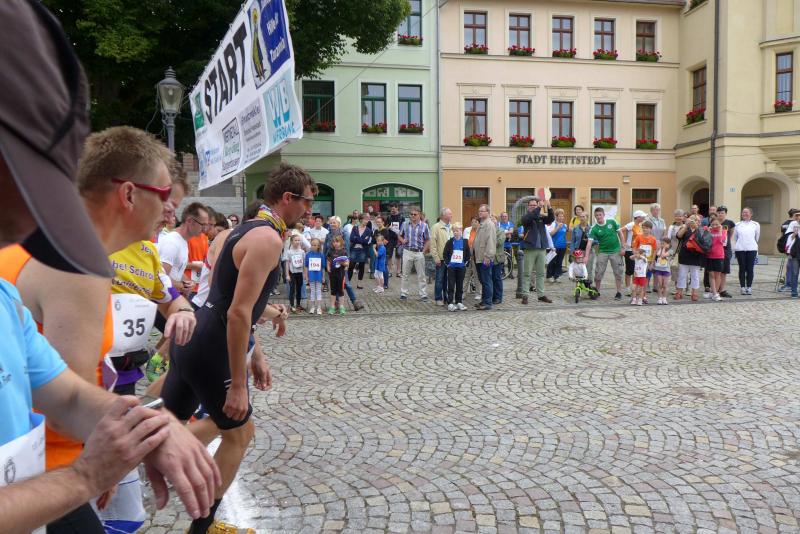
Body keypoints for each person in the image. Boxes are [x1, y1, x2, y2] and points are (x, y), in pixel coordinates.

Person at [0, 3, 219, 529]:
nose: (171, 211)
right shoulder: (75, 266)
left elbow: (67, 394)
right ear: (128, 194)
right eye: (26, 179)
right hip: (49, 482)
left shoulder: (6, 295)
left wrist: (150, 426)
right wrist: (84, 476)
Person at [161, 163, 314, 534]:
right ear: (287, 198)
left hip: (195, 338)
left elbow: (231, 300)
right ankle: (202, 528)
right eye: (307, 201)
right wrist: (239, 384)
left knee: (167, 426)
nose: (309, 210)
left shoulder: (242, 230)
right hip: (211, 347)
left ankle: (112, 472)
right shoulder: (268, 240)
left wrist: (256, 354)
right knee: (239, 434)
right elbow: (238, 312)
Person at [519, 197, 555, 305]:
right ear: (528, 207)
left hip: (541, 248)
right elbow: (530, 217)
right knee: (527, 273)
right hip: (530, 248)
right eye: (531, 205)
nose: (533, 207)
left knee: (541, 273)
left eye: (535, 205)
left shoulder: (541, 217)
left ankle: (541, 295)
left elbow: (550, 219)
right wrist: (539, 207)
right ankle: (525, 295)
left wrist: (549, 207)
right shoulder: (526, 217)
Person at [585, 207, 625, 300]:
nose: (599, 217)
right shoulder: (594, 228)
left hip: (615, 251)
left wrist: (623, 247)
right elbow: (589, 243)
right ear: (595, 216)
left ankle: (619, 292)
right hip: (602, 252)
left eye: (600, 215)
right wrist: (586, 256)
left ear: (603, 215)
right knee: (598, 273)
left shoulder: (612, 222)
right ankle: (597, 292)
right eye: (596, 215)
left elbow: (620, 234)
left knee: (618, 272)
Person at [399, 208, 430, 301]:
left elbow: (428, 239)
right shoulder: (405, 224)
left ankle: (423, 294)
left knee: (421, 275)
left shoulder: (424, 226)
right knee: (405, 274)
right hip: (407, 251)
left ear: (419, 215)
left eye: (415, 214)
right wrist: (402, 240)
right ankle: (404, 293)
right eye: (411, 214)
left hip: (419, 252)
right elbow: (399, 235)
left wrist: (423, 251)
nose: (412, 216)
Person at [471, 205, 497, 310]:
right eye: (479, 211)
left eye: (482, 211)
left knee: (486, 280)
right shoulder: (482, 224)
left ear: (488, 212)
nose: (480, 212)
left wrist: (488, 256)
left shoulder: (489, 224)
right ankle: (484, 301)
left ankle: (487, 303)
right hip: (479, 256)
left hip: (485, 257)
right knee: (483, 280)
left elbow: (491, 241)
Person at [675, 215, 705, 301]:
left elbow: (703, 241)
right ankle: (679, 292)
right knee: (682, 275)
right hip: (684, 255)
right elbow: (678, 236)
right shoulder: (685, 228)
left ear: (699, 222)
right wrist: (686, 226)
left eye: (697, 220)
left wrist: (697, 228)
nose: (694, 221)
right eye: (692, 219)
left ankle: (694, 293)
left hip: (696, 256)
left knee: (695, 275)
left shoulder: (701, 230)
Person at [443, 222, 470, 311]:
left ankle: (459, 302)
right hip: (452, 267)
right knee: (451, 285)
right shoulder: (450, 242)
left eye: (457, 231)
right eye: (454, 231)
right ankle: (450, 303)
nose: (455, 232)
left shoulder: (465, 242)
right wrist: (448, 264)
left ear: (461, 231)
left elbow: (468, 253)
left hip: (461, 267)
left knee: (460, 285)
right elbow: (445, 253)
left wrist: (465, 263)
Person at [733, 207, 760, 295]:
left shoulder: (755, 224)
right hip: (740, 249)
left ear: (751, 214)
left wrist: (751, 244)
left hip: (752, 248)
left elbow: (757, 237)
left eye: (746, 212)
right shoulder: (737, 225)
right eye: (743, 212)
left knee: (750, 268)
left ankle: (749, 287)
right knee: (742, 268)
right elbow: (735, 237)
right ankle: (742, 287)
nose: (744, 214)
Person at [430, 208, 453, 306]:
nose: (451, 216)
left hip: (451, 259)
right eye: (449, 214)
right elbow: (433, 244)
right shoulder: (436, 227)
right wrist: (436, 258)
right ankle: (438, 298)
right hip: (441, 258)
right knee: (439, 279)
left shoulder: (452, 227)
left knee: (448, 279)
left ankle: (447, 298)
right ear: (444, 216)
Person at [631, 220, 657, 305]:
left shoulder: (653, 239)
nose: (645, 229)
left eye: (647, 228)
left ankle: (643, 296)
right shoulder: (638, 237)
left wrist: (652, 262)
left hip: (648, 262)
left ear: (650, 229)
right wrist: (636, 256)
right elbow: (634, 247)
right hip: (639, 263)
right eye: (643, 228)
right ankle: (634, 297)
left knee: (645, 280)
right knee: (636, 279)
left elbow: (654, 251)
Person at [621, 210, 646, 296]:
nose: (644, 218)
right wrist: (624, 243)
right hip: (629, 250)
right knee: (630, 270)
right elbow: (620, 230)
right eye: (642, 216)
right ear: (638, 217)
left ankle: (634, 288)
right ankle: (627, 289)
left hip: (638, 251)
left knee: (636, 270)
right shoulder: (631, 224)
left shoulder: (640, 226)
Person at [714, 206, 736, 298]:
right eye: (719, 213)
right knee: (716, 271)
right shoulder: (714, 222)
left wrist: (729, 242)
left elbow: (731, 234)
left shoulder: (730, 223)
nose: (720, 214)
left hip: (726, 249)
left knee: (724, 270)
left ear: (725, 214)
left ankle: (722, 289)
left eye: (722, 213)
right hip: (715, 249)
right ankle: (715, 290)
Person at [705, 217, 727, 301]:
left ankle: (715, 293)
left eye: (717, 224)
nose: (715, 226)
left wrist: (720, 230)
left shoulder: (724, 231)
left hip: (719, 256)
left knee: (718, 275)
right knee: (711, 275)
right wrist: (708, 230)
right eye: (713, 224)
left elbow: (722, 241)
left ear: (720, 224)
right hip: (709, 255)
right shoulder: (709, 231)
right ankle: (714, 293)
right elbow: (705, 240)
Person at [348, 213, 372, 288]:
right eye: (365, 219)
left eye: (368, 220)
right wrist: (362, 239)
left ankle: (359, 284)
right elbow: (351, 238)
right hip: (354, 249)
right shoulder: (355, 228)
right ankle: (348, 283)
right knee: (351, 266)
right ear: (361, 220)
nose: (367, 221)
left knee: (361, 266)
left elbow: (366, 242)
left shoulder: (369, 230)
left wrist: (357, 238)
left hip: (363, 250)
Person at [327, 235, 349, 314]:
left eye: (337, 242)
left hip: (341, 274)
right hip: (332, 274)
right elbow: (328, 260)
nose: (335, 243)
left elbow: (347, 263)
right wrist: (328, 267)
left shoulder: (344, 252)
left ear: (341, 242)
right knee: (333, 290)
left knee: (341, 290)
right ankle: (332, 306)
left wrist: (341, 263)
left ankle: (341, 306)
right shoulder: (330, 251)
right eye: (334, 242)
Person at [304, 238, 326, 313]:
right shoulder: (308, 254)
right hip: (311, 275)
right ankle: (312, 307)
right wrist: (306, 276)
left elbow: (323, 267)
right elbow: (306, 266)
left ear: (318, 246)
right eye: (312, 245)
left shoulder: (321, 255)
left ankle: (319, 307)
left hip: (319, 275)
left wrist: (323, 277)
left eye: (315, 245)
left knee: (318, 291)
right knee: (312, 291)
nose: (313, 246)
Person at [285, 234, 306, 313]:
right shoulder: (289, 252)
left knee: (299, 289)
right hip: (292, 273)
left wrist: (305, 273)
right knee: (292, 289)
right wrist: (287, 274)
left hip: (299, 273)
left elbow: (304, 264)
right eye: (295, 240)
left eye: (298, 240)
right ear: (291, 241)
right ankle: (292, 305)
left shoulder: (302, 252)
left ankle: (298, 304)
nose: (297, 242)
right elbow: (287, 263)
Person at [546, 209, 568, 283]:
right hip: (554, 247)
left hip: (562, 246)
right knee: (552, 262)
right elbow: (550, 234)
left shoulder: (565, 225)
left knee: (559, 262)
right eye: (560, 216)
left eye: (562, 216)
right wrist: (557, 227)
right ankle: (549, 276)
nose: (561, 217)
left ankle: (557, 276)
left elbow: (564, 235)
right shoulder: (552, 224)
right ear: (556, 216)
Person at [570, 212, 593, 281]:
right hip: (578, 252)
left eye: (583, 216)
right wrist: (572, 252)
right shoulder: (576, 228)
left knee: (588, 269)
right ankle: (579, 285)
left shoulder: (592, 228)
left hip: (589, 252)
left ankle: (588, 284)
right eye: (580, 217)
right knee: (578, 270)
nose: (582, 218)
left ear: (587, 218)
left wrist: (589, 240)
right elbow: (572, 241)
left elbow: (597, 241)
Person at [667, 209, 686, 292]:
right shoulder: (671, 227)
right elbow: (669, 239)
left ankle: (686, 288)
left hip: (684, 251)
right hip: (674, 251)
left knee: (684, 270)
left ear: (683, 217)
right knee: (674, 269)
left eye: (680, 216)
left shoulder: (685, 226)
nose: (678, 218)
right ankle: (677, 287)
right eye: (677, 216)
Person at [464, 216, 482, 298]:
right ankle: (463, 292)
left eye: (475, 222)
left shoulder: (480, 231)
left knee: (476, 275)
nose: (473, 223)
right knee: (466, 275)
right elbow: (465, 242)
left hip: (476, 256)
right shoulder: (467, 230)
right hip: (468, 255)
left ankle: (478, 293)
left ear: (479, 223)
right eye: (472, 222)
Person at [385, 204, 404, 277]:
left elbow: (404, 228)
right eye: (391, 209)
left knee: (398, 255)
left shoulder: (401, 217)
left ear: (397, 208)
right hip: (390, 238)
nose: (392, 210)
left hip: (399, 238)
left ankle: (398, 272)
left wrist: (402, 236)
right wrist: (388, 227)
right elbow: (386, 227)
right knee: (389, 255)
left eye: (393, 209)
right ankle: (390, 271)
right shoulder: (389, 217)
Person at [653, 237, 673, 304]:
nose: (662, 245)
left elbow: (663, 256)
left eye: (664, 243)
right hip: (659, 269)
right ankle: (660, 298)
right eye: (661, 243)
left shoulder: (670, 251)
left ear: (668, 244)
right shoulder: (660, 250)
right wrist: (661, 248)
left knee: (665, 285)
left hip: (666, 270)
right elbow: (659, 255)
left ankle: (664, 298)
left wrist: (664, 248)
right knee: (660, 284)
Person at [497, 212, 515, 279]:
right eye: (503, 216)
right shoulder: (498, 224)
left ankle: (510, 273)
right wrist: (506, 232)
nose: (504, 217)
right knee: (501, 260)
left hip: (508, 244)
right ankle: (503, 273)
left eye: (505, 216)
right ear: (501, 217)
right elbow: (497, 233)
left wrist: (502, 232)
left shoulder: (510, 223)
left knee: (510, 259)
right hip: (501, 245)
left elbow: (511, 231)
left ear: (507, 217)